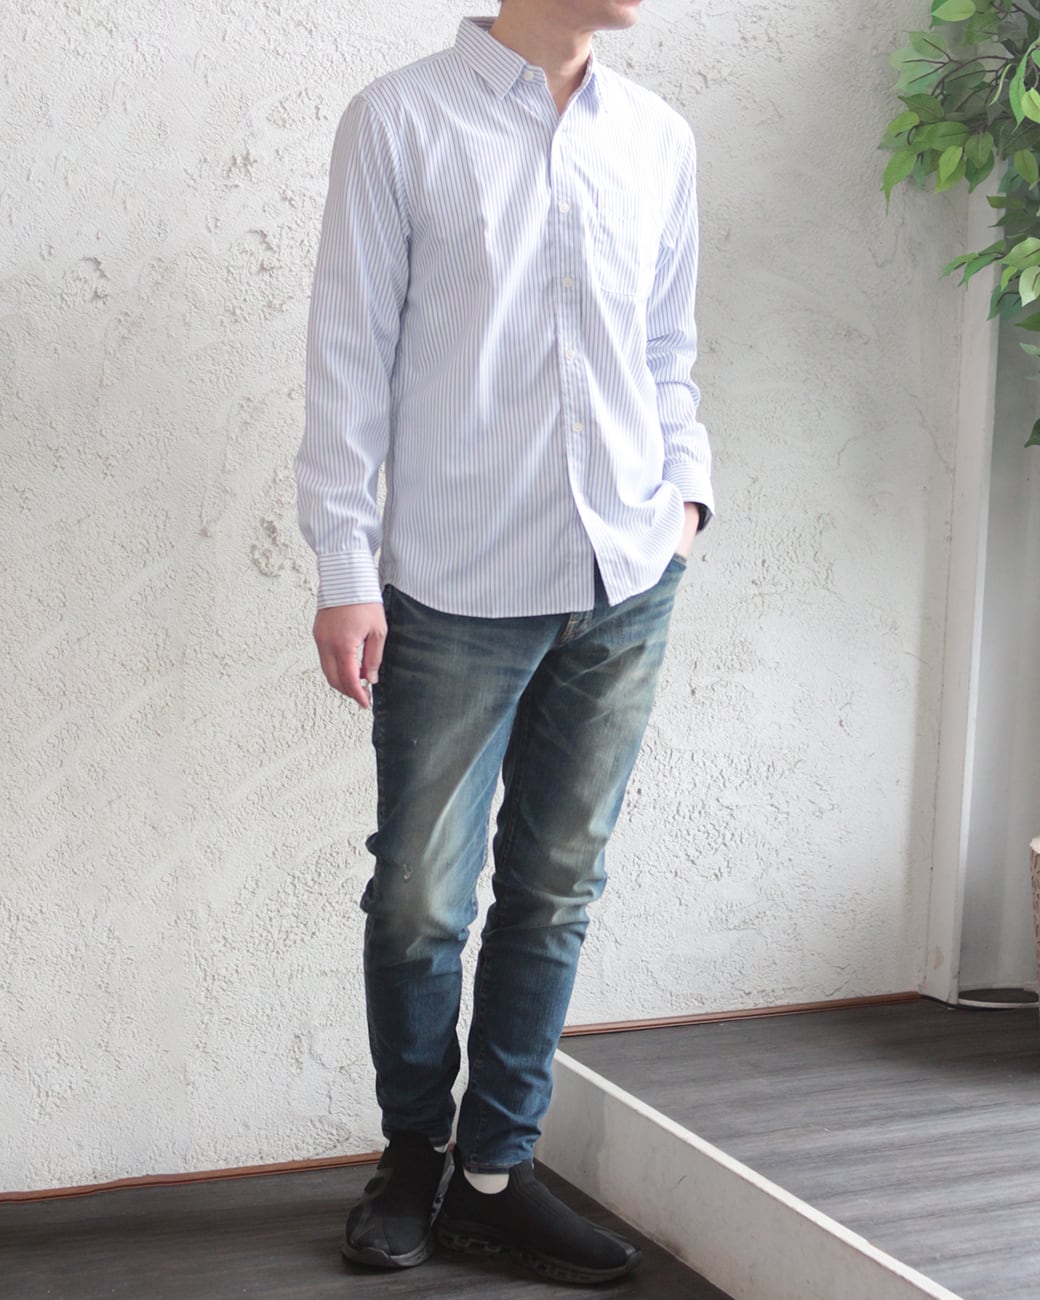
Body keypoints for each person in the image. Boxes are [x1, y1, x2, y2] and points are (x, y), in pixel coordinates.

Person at [295, 0, 713, 1284]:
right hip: (452, 584)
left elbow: (666, 345)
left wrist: (684, 502)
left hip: (624, 574)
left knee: (555, 887)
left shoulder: (655, 135)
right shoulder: (399, 121)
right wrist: (344, 570)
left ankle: (494, 1173)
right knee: (419, 897)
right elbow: (349, 359)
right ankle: (412, 1155)